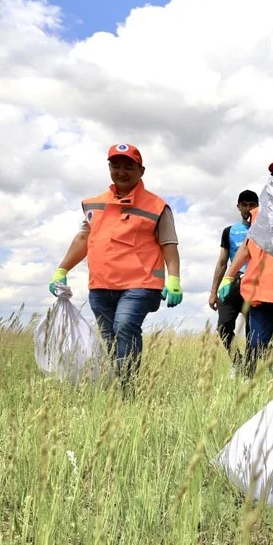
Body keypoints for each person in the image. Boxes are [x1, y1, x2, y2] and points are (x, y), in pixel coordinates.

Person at [48, 143, 182, 392]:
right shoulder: (94, 205)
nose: (121, 171)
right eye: (115, 166)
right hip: (101, 286)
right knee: (110, 340)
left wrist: (174, 279)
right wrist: (62, 270)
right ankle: (118, 385)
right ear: (109, 168)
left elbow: (169, 244)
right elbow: (82, 239)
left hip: (140, 285)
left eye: (128, 166)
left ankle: (128, 390)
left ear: (141, 171)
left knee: (124, 326)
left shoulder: (157, 206)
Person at [217, 159, 273, 383]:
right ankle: (257, 392)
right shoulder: (257, 215)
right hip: (259, 293)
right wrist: (227, 278)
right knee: (255, 345)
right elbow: (246, 249)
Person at [210, 189, 260, 376]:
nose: (248, 208)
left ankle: (249, 371)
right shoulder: (229, 231)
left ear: (257, 206)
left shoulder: (264, 230)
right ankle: (237, 362)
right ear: (238, 206)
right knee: (223, 326)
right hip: (232, 283)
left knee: (253, 331)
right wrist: (213, 291)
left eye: (252, 204)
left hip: (256, 285)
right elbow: (222, 261)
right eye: (244, 204)